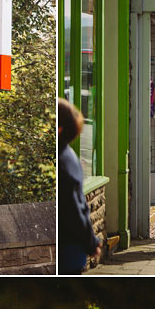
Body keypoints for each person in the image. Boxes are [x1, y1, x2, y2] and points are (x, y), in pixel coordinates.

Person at [58, 99, 102, 274]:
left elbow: (74, 209)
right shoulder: (69, 157)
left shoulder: (64, 162)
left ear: (59, 129)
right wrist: (91, 241)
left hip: (68, 248)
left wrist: (90, 242)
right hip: (73, 246)